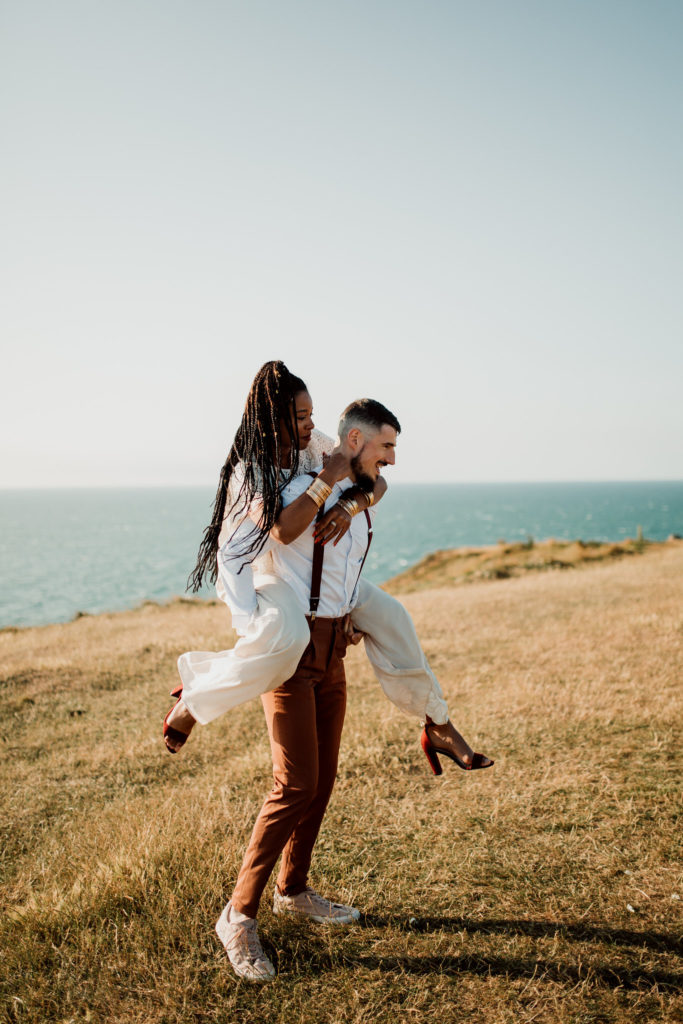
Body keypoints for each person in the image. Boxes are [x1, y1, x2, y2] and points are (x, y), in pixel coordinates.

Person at [163, 362, 493, 778]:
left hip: (313, 575)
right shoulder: (251, 471)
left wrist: (348, 504)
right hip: (263, 573)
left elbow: (376, 483)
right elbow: (283, 530)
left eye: (311, 414)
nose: (311, 424)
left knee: (393, 617)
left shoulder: (314, 444)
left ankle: (438, 723)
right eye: (301, 416)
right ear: (273, 419)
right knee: (282, 641)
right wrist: (328, 478)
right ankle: (193, 702)